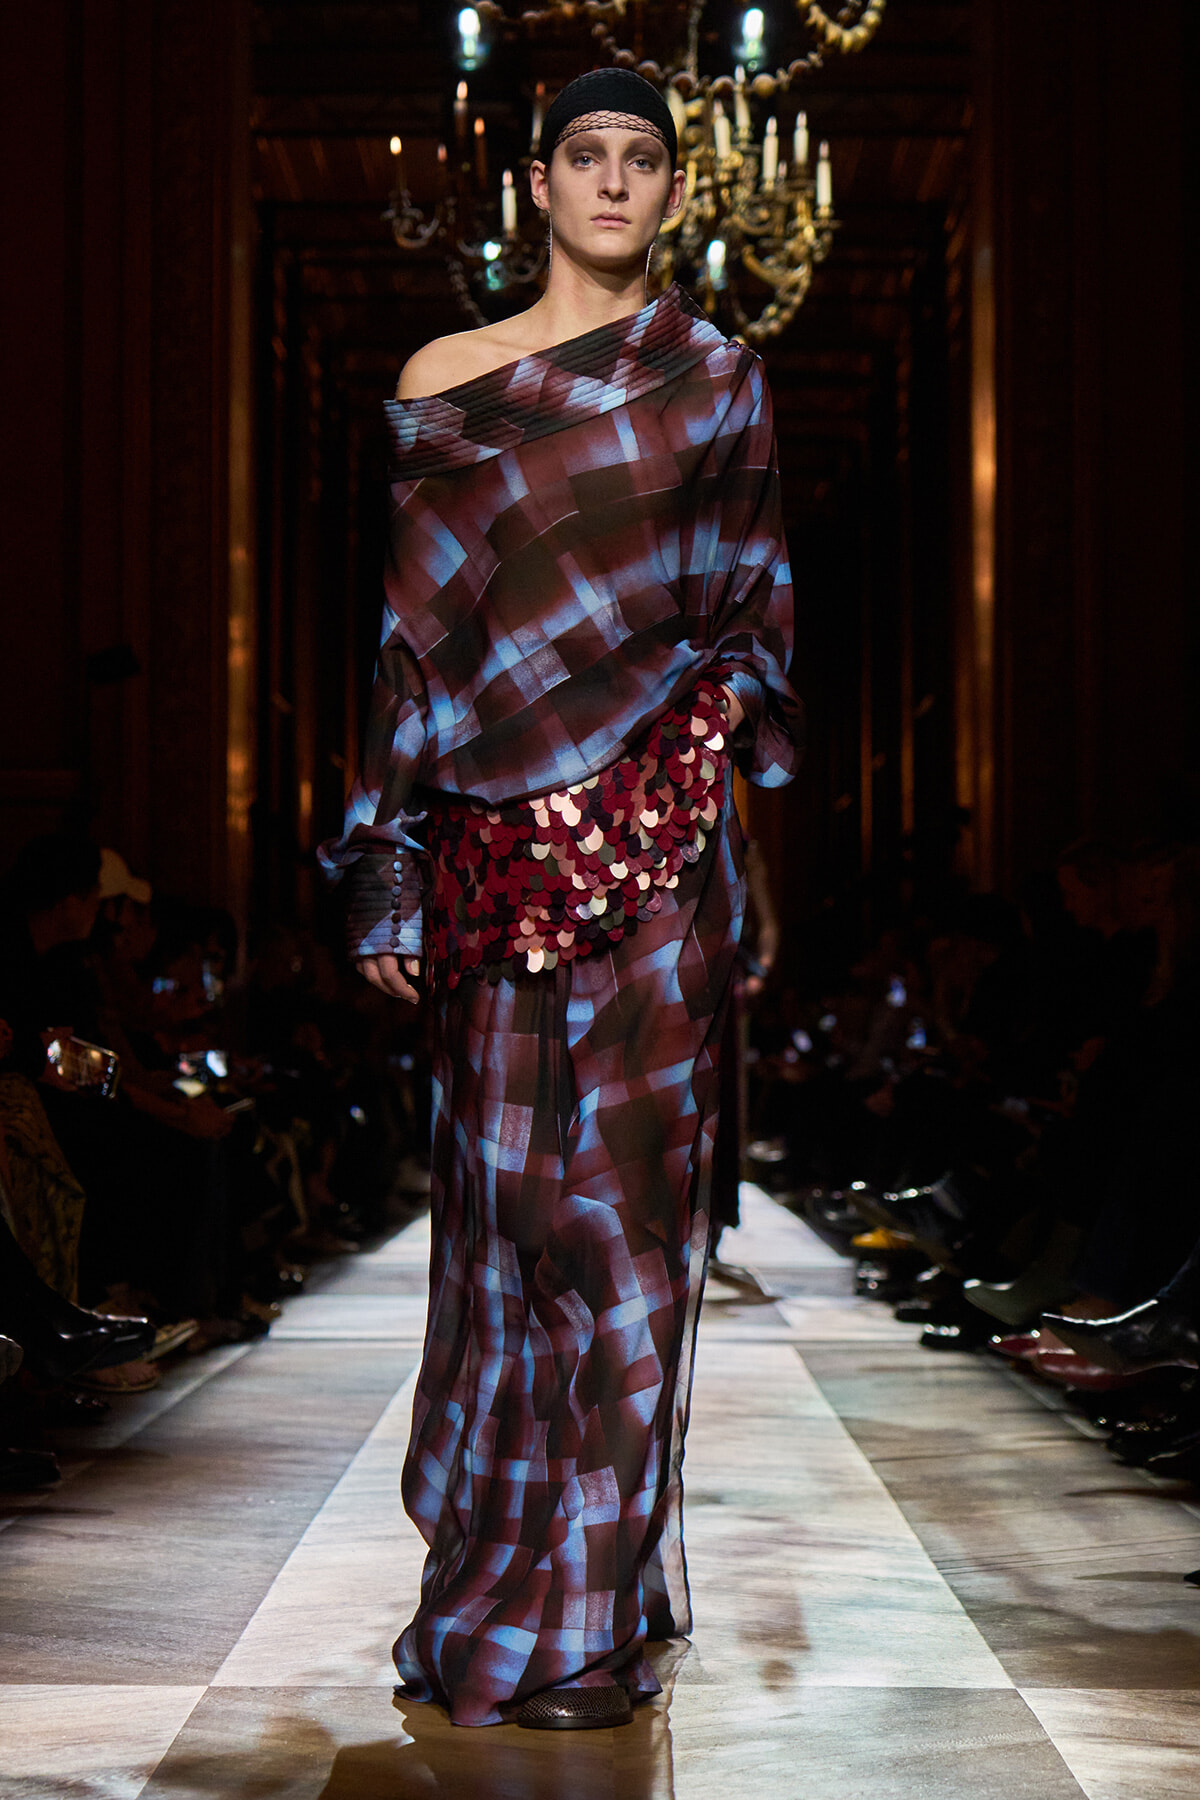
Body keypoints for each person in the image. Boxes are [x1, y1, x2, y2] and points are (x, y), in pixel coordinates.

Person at [320, 66, 801, 1730]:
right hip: (484, 870)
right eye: (585, 157)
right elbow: (410, 651)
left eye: (643, 160)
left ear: (677, 192)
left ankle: (589, 1615)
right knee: (511, 1227)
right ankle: (492, 1590)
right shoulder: (445, 387)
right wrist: (384, 867)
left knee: (632, 1239)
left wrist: (674, 789)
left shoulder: (719, 381)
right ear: (537, 185)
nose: (614, 182)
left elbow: (750, 622)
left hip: (660, 864)